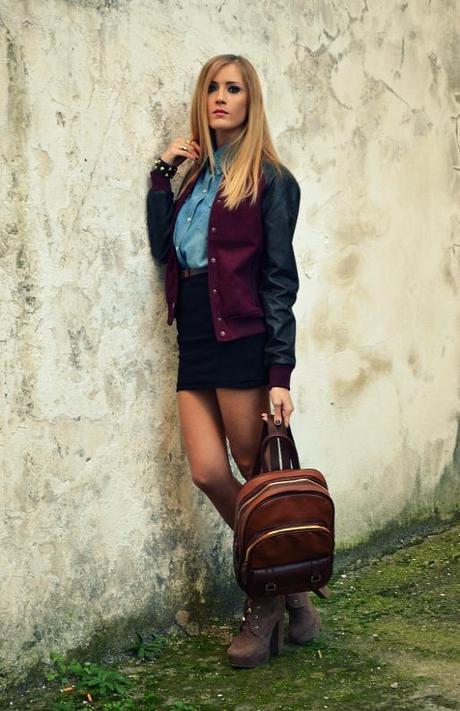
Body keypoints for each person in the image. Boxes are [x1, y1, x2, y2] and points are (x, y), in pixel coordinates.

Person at [146, 53, 320, 668]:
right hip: (195, 336)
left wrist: (280, 374)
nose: (221, 97)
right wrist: (161, 173)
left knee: (256, 477)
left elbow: (279, 280)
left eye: (234, 88)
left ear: (251, 100)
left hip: (242, 339)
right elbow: (165, 250)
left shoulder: (271, 180)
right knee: (208, 473)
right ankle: (292, 588)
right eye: (213, 88)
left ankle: (264, 600)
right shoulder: (194, 180)